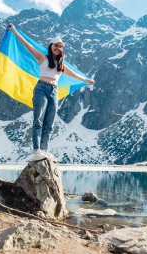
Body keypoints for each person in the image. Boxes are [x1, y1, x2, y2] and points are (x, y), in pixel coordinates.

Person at [7, 24, 95, 161]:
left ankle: (44, 150)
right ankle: (37, 151)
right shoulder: (43, 58)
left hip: (54, 92)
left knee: (49, 123)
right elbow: (26, 45)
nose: (58, 48)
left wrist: (87, 80)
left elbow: (75, 75)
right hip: (41, 88)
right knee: (38, 121)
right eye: (56, 45)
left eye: (60, 46)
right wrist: (13, 31)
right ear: (51, 46)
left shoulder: (61, 65)